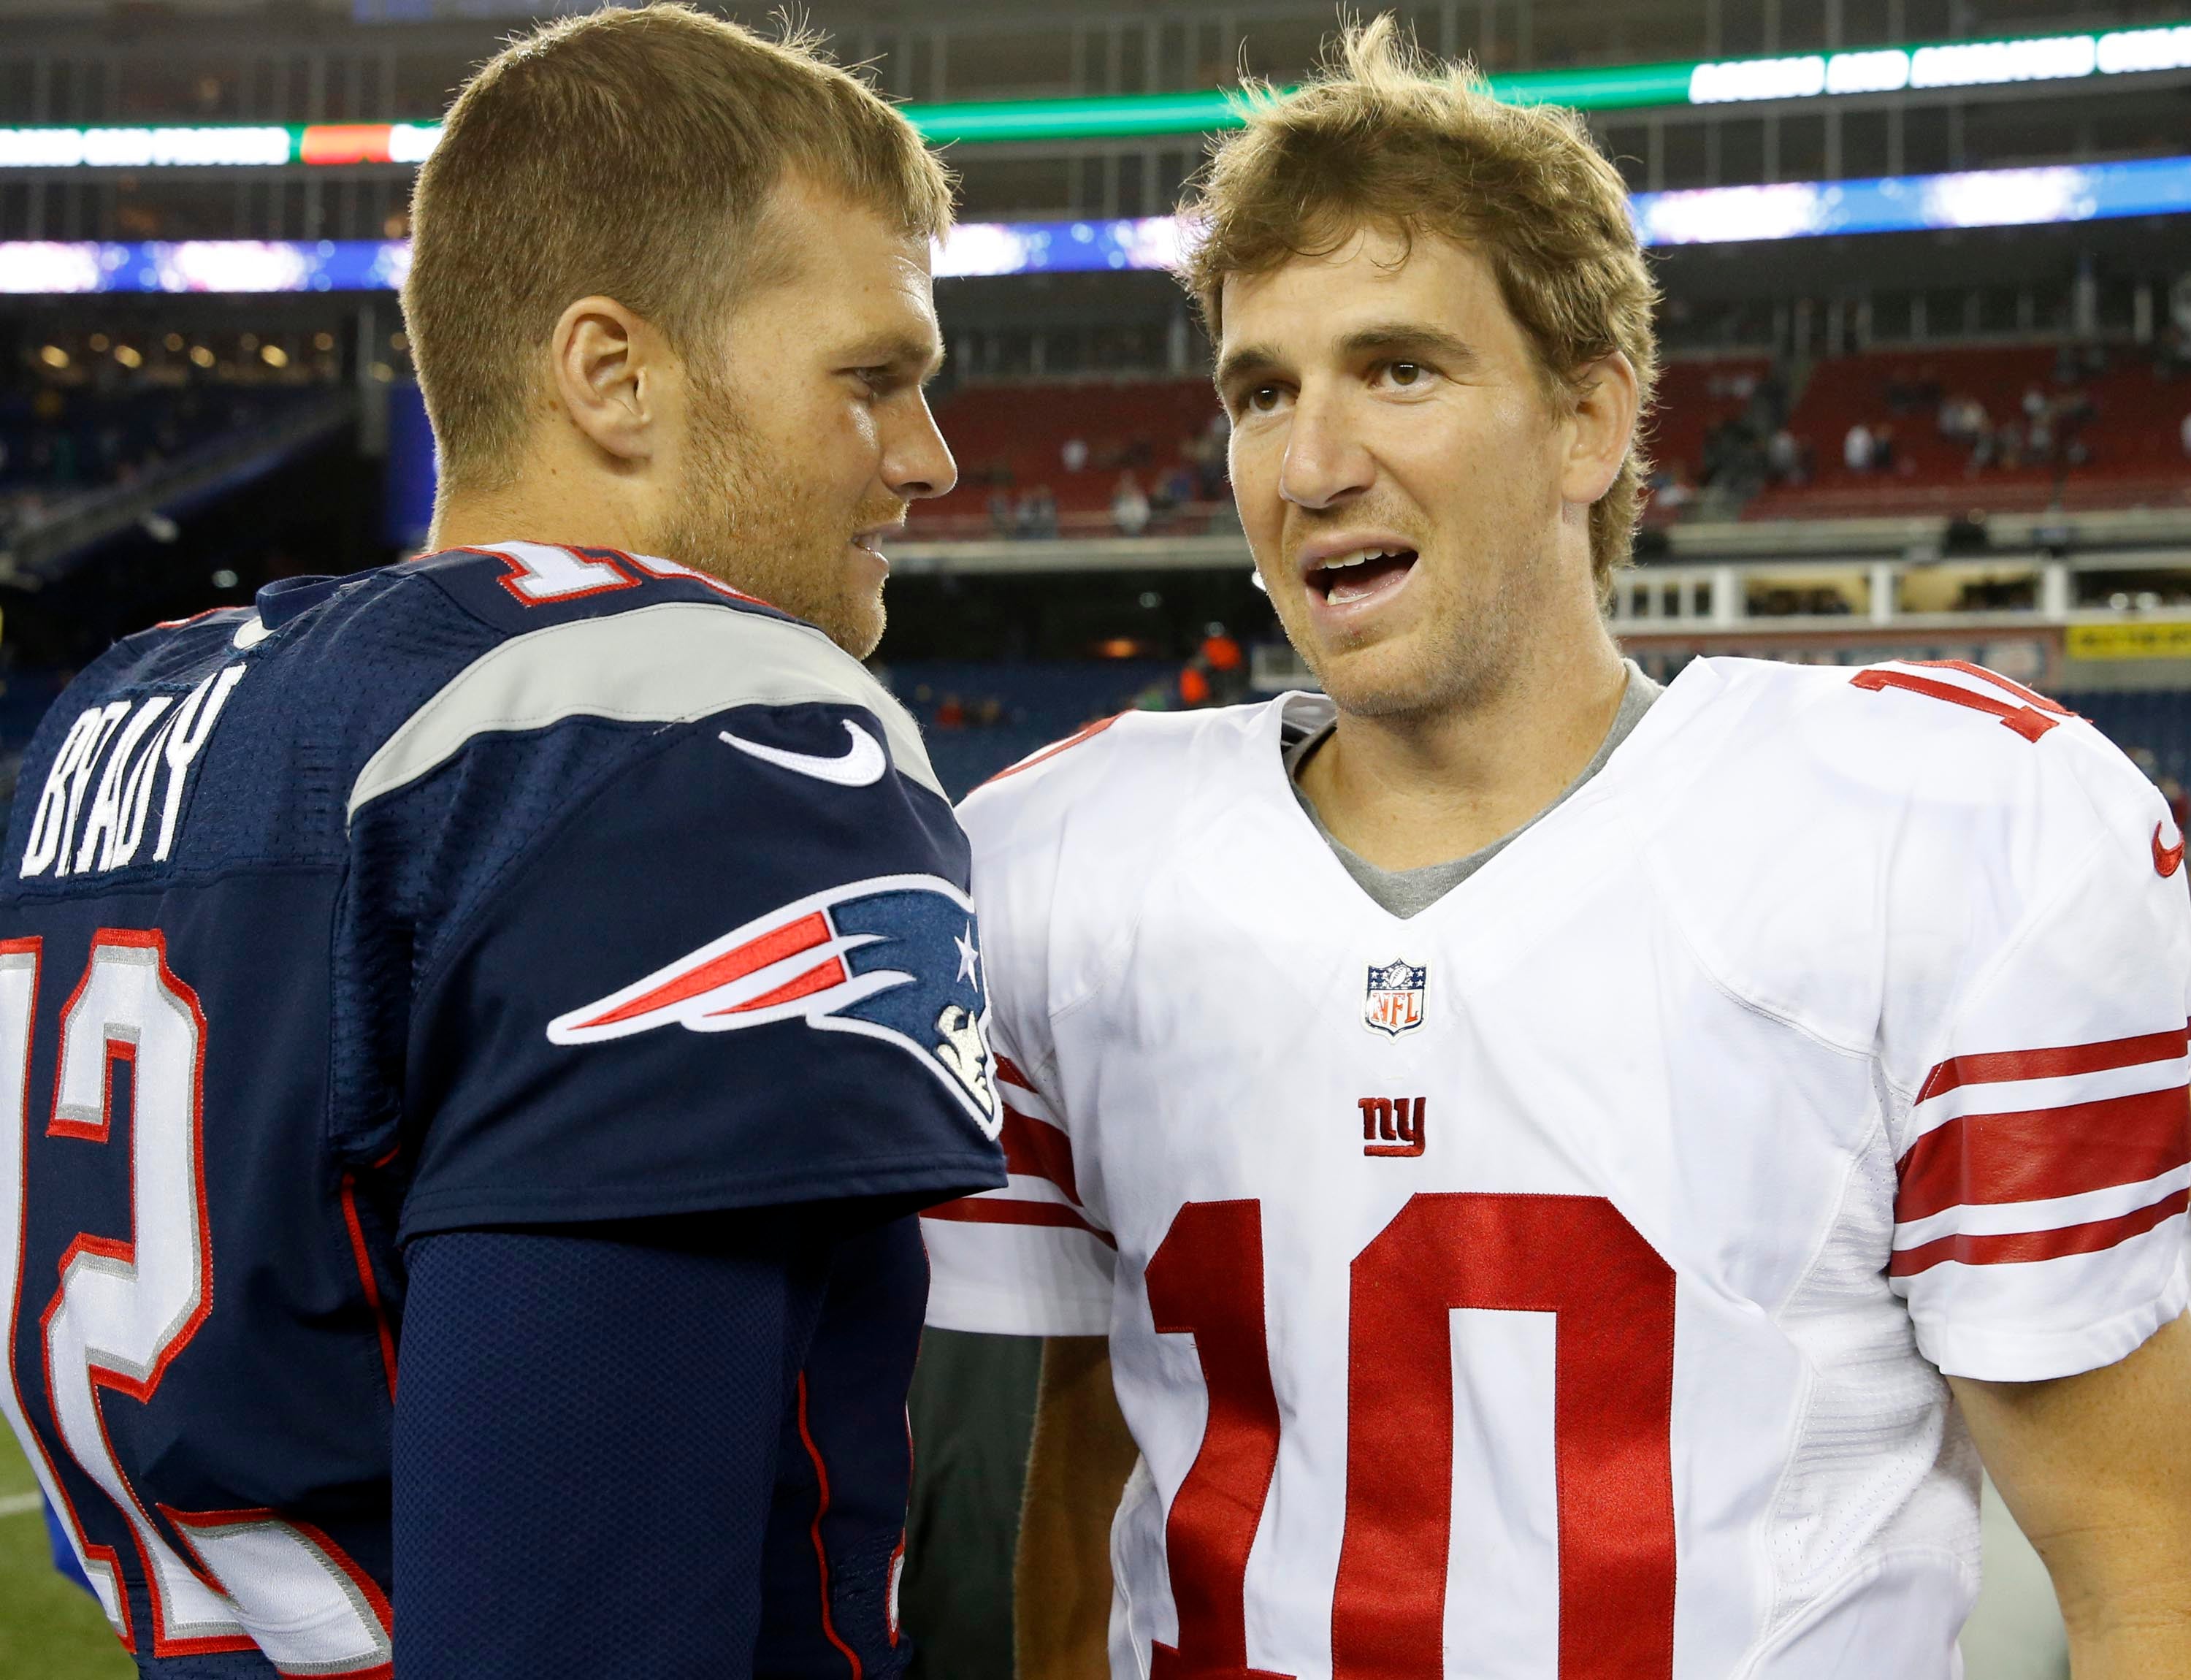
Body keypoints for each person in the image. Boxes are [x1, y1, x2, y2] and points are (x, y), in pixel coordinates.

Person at [922, 20, 2191, 1680]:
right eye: (1260, 391)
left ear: (1590, 422)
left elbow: (2140, 1568)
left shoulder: (1932, 839)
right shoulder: (1065, 863)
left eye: (1399, 368)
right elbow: (1083, 1467)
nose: (1311, 465)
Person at [0, 8, 1004, 1676]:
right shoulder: (688, 720)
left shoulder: (129, 713)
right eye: (874, 378)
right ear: (613, 375)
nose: (929, 458)